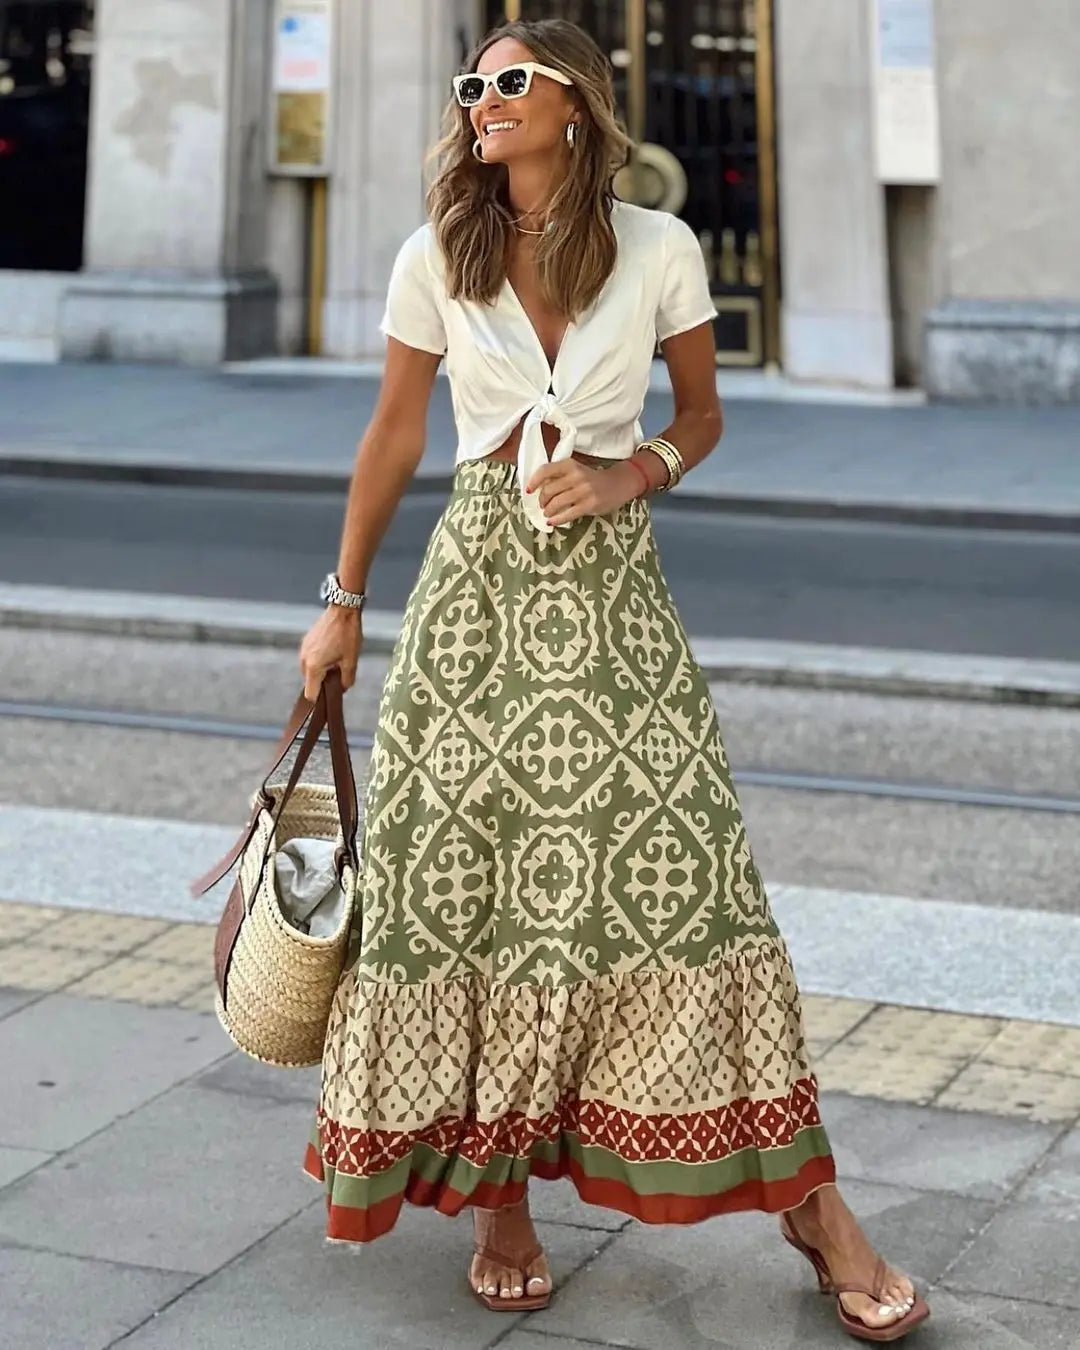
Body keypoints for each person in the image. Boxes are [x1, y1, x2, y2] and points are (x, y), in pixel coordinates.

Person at [298, 17, 929, 1343]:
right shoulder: (437, 254)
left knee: (695, 871)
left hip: (613, 603)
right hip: (472, 601)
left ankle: (815, 1208)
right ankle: (503, 1206)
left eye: (511, 81)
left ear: (577, 103)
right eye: (473, 84)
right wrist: (339, 602)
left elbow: (699, 414)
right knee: (472, 888)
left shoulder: (662, 246)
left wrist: (634, 470)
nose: (485, 101)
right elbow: (394, 434)